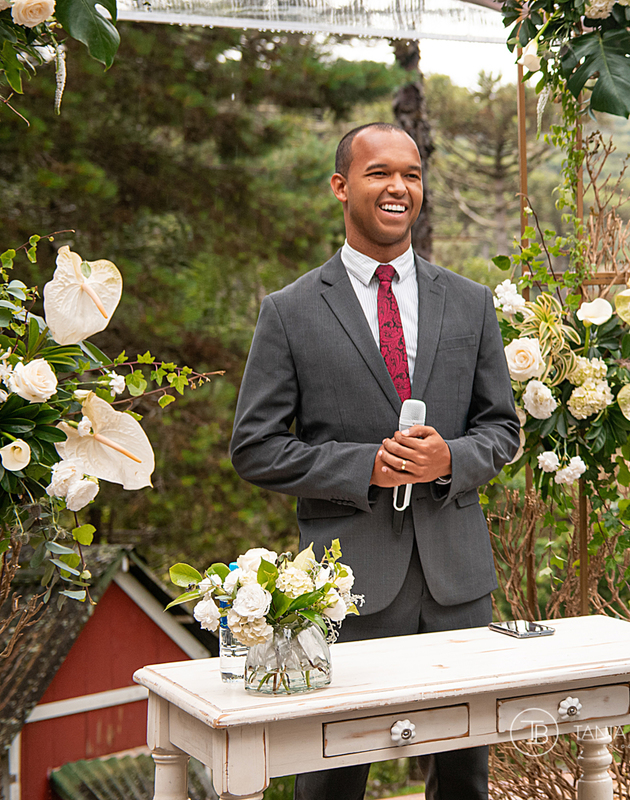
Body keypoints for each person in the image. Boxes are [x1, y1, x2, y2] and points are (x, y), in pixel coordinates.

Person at [230, 122, 520, 800]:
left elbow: (501, 429)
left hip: (458, 583)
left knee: (464, 779)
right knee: (331, 776)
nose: (398, 187)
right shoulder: (290, 312)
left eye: (412, 174)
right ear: (341, 186)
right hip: (343, 589)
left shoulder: (472, 303)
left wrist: (450, 457)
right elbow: (255, 447)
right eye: (379, 173)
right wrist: (366, 467)